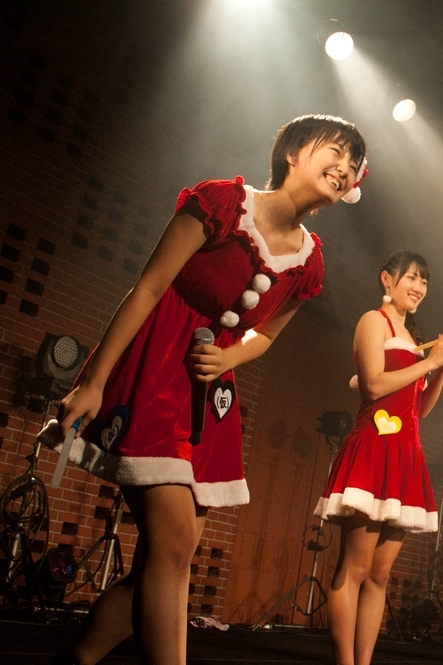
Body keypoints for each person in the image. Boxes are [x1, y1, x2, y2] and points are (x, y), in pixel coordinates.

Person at [49, 114, 367, 665]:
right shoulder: (222, 202)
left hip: (208, 391)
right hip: (154, 369)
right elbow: (149, 287)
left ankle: (77, 659)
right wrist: (94, 381)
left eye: (354, 162)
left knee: (169, 553)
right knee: (173, 545)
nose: (345, 166)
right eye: (335, 151)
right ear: (293, 152)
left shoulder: (309, 261)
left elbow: (265, 335)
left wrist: (228, 356)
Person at [314, 250, 443, 665]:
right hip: (374, 449)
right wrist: (429, 362)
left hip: (405, 455)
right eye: (411, 278)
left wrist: (438, 368)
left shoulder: (414, 341)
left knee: (379, 575)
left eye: (424, 281)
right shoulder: (372, 321)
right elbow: (374, 386)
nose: (418, 287)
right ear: (387, 279)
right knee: (355, 568)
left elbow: (421, 409)